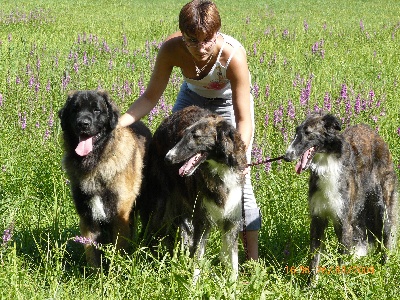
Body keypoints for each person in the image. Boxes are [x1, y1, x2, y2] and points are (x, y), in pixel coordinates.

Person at [118, 0, 260, 260]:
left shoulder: (232, 56)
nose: (201, 47)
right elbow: (150, 98)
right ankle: (177, 239)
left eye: (208, 39)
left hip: (228, 104)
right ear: (182, 35)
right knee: (178, 161)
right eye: (192, 40)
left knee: (242, 185)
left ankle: (252, 262)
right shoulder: (171, 50)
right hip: (192, 97)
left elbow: (243, 119)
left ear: (217, 34)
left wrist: (240, 155)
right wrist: (119, 123)